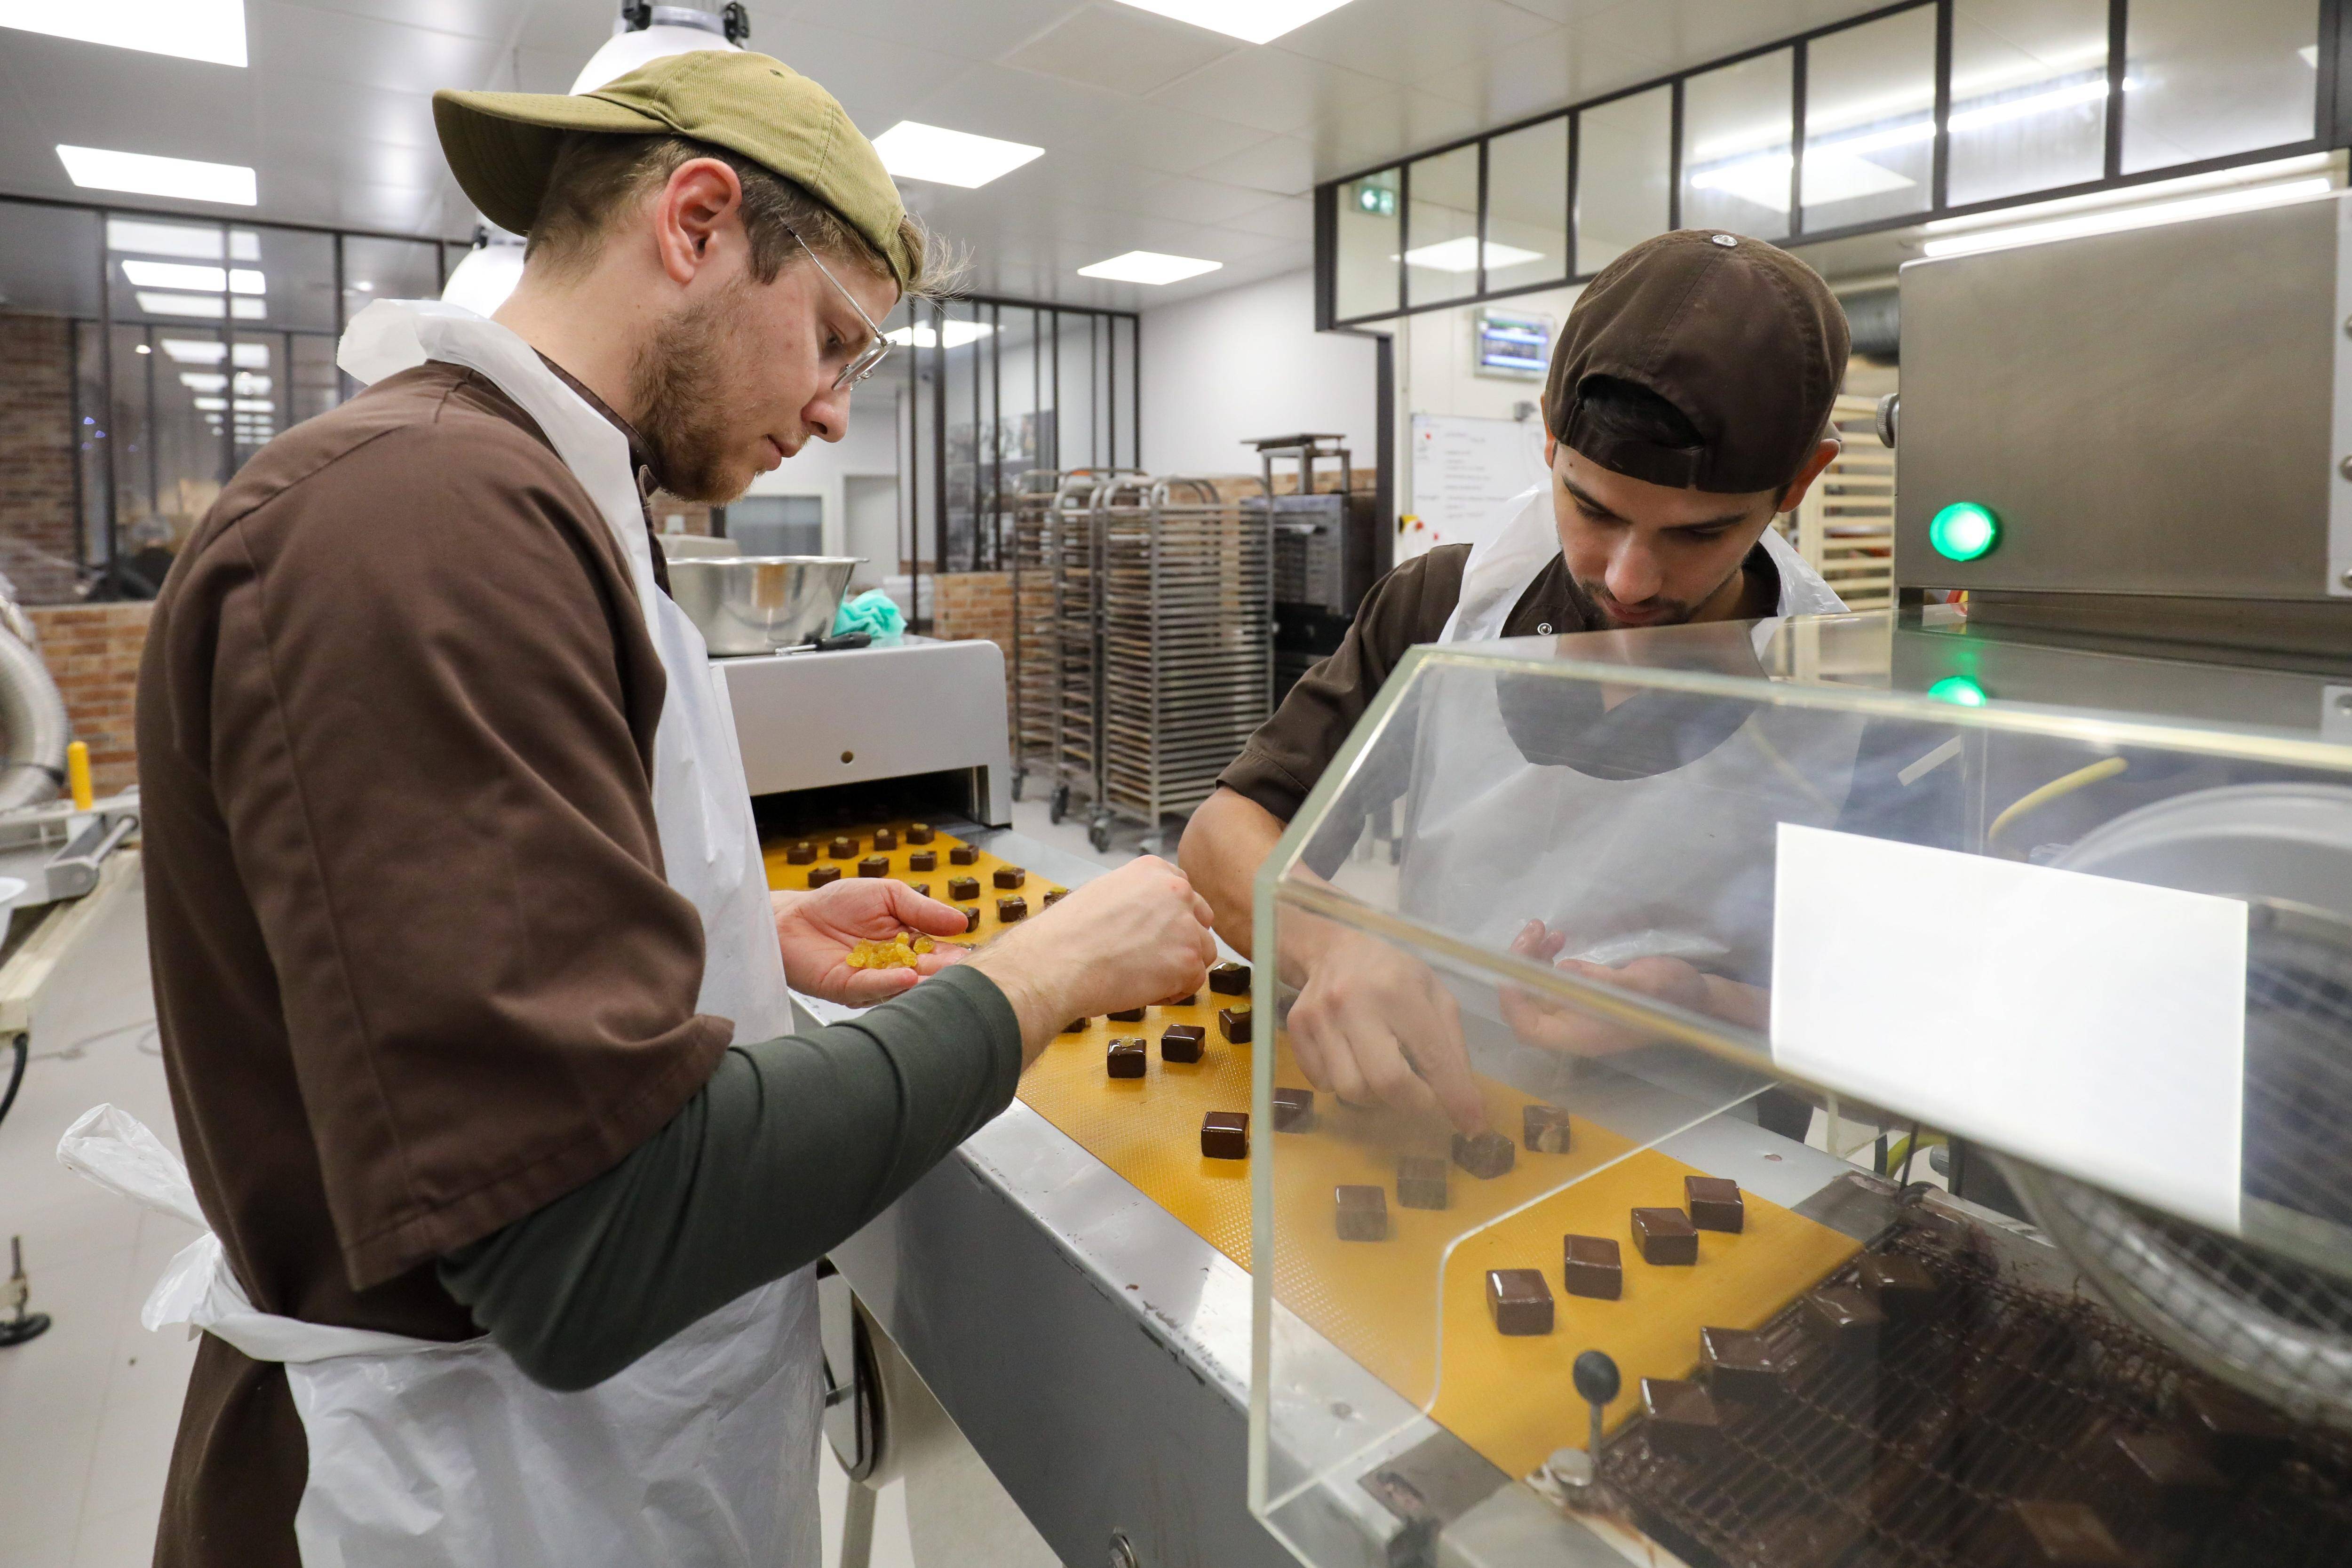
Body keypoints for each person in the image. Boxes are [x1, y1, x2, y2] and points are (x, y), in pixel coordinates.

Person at [135, 50, 1214, 1568]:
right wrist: (1045, 974)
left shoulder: (546, 500)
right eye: (832, 339)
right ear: (697, 223)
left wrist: (727, 935)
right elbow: (589, 1246)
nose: (836, 413)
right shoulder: (418, 521)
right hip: (469, 1491)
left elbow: (426, 958)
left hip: (594, 1464)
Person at [1180, 229, 1852, 1135]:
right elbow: (1227, 832)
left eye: (1698, 534)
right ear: (1546, 439)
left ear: (1802, 482)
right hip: (1439, 1110)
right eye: (1594, 509)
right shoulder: (1446, 606)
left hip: (1715, 1150)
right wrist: (1335, 941)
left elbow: (1891, 1017)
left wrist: (1694, 999)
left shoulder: (1848, 689)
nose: (1627, 579)